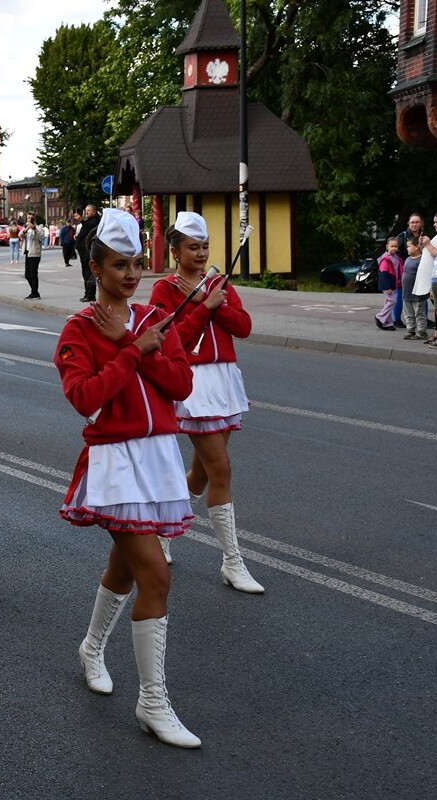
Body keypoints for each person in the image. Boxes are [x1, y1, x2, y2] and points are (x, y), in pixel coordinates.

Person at [55, 208, 200, 748]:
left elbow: (181, 385)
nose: (132, 275)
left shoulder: (153, 323)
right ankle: (153, 702)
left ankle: (92, 647)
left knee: (125, 566)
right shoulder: (78, 328)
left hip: (159, 458)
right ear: (96, 267)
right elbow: (85, 398)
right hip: (114, 464)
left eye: (137, 264)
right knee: (156, 576)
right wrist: (127, 350)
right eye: (120, 265)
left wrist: (144, 347)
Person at [149, 211, 263, 595]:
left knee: (202, 474)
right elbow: (169, 338)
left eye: (205, 247)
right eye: (192, 247)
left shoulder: (219, 282)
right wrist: (201, 304)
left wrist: (216, 301)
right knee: (222, 470)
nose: (200, 253)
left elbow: (243, 327)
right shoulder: (165, 289)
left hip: (225, 382)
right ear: (176, 250)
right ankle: (232, 562)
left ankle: (164, 532)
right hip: (194, 385)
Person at [400, 237, 429, 340]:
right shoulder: (407, 259)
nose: (407, 248)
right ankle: (410, 330)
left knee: (419, 313)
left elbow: (424, 275)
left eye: (409, 246)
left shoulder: (422, 260)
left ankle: (422, 331)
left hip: (418, 293)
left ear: (417, 246)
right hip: (407, 292)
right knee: (408, 313)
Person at [374, 237, 401, 331]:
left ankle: (387, 323)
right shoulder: (385, 259)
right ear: (387, 247)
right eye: (392, 246)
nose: (394, 248)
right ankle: (380, 317)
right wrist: (387, 287)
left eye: (396, 246)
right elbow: (383, 273)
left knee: (388, 303)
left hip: (393, 284)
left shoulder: (396, 257)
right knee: (393, 301)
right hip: (387, 285)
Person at [75, 205, 101, 302]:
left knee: (89, 273)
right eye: (85, 210)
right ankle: (87, 293)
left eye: (88, 210)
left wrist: (81, 220)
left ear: (94, 211)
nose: (86, 212)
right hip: (83, 250)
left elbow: (90, 228)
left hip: (88, 251)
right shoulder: (89, 221)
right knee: (85, 273)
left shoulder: (95, 221)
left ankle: (90, 295)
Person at [22, 218, 44, 299]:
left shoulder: (39, 228)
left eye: (30, 221)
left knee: (33, 274)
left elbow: (41, 238)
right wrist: (26, 229)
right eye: (28, 220)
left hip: (35, 253)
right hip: (27, 252)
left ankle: (34, 293)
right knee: (27, 275)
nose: (29, 222)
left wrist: (35, 229)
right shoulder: (27, 228)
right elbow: (20, 235)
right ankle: (35, 292)